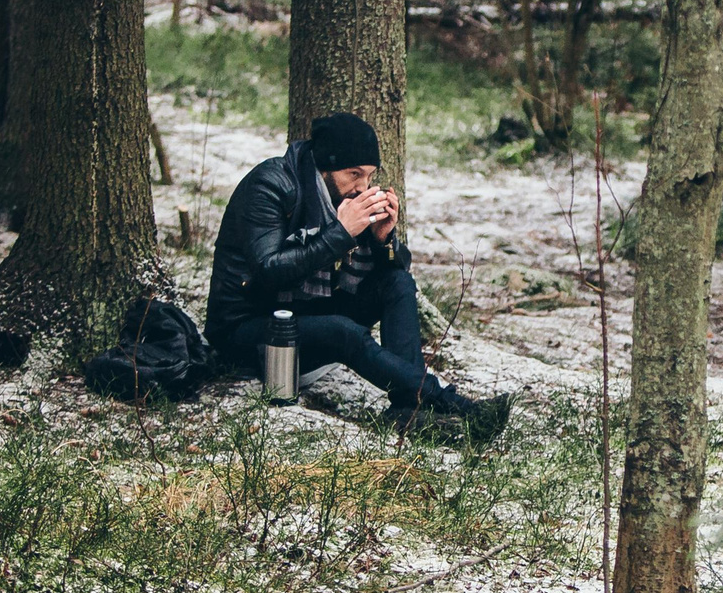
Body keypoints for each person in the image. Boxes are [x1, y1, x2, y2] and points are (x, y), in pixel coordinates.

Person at [206, 111, 511, 441]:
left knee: (398, 283)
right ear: (324, 166)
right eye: (353, 174)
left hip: (309, 315)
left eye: (368, 176)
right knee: (343, 332)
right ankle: (456, 405)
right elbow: (269, 271)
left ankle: (407, 408)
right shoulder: (269, 184)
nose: (361, 187)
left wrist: (383, 240)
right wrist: (341, 232)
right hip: (249, 330)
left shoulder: (345, 198)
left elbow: (395, 271)